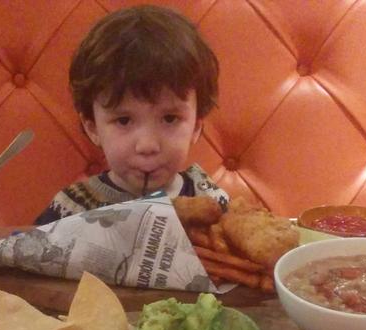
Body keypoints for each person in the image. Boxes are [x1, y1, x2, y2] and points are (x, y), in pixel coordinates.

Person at [34, 5, 229, 225]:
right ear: (93, 128)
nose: (147, 145)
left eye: (169, 118)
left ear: (196, 127)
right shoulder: (70, 209)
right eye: (124, 120)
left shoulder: (211, 201)